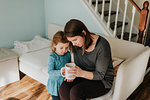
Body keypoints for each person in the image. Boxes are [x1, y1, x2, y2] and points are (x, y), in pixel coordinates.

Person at [59, 19, 115, 100]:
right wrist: (71, 72)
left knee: (76, 92)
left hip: (102, 81)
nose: (73, 44)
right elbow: (78, 65)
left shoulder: (102, 45)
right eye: (71, 41)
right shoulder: (75, 45)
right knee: (63, 89)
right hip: (83, 75)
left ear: (83, 33)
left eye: (75, 40)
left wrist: (80, 73)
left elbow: (100, 75)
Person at [47, 31, 71, 100]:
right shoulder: (52, 57)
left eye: (66, 48)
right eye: (61, 48)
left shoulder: (68, 54)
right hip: (55, 84)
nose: (64, 50)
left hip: (64, 82)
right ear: (54, 45)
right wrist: (60, 72)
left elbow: (69, 65)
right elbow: (50, 72)